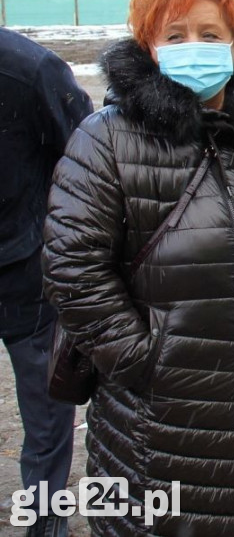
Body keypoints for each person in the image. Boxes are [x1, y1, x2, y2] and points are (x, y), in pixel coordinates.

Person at [42, 0, 234, 536]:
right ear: (150, 45)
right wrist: (140, 357)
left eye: (209, 34)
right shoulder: (106, 139)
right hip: (160, 422)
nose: (192, 47)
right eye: (175, 35)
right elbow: (72, 266)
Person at [1, 27, 93, 537]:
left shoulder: (30, 68)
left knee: (46, 412)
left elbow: (85, 160)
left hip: (27, 278)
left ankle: (44, 524)